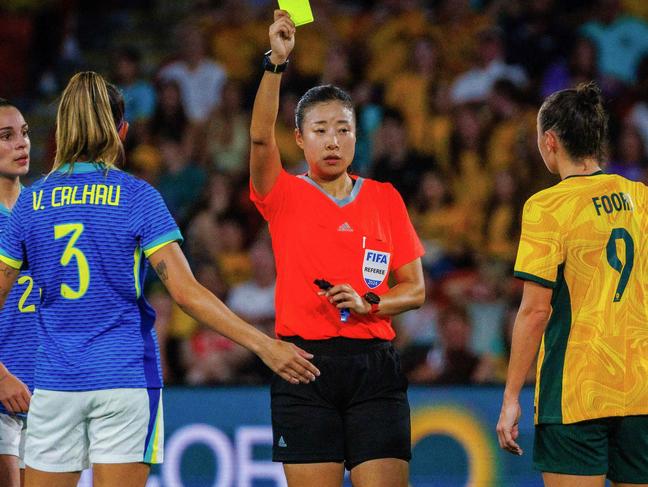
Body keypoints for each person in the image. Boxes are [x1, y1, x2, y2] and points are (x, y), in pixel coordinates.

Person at [0, 71, 319, 487]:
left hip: (55, 384)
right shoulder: (137, 197)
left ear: (62, 129)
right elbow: (186, 292)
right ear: (122, 132)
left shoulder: (30, 205)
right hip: (124, 378)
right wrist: (264, 345)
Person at [249, 11, 425, 487]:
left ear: (356, 135)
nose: (333, 140)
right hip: (303, 366)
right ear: (301, 138)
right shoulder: (282, 194)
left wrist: (371, 302)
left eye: (343, 129)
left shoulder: (385, 198)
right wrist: (276, 64)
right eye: (321, 130)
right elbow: (261, 135)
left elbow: (414, 290)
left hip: (377, 370)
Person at [496, 82, 648, 487]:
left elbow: (534, 310)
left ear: (550, 141)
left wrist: (511, 397)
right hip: (640, 389)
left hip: (576, 393)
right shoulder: (640, 198)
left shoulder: (548, 207)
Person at [0, 98, 38, 487]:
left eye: (24, 134)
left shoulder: (43, 208)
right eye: (6, 136)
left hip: (44, 396)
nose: (21, 144)